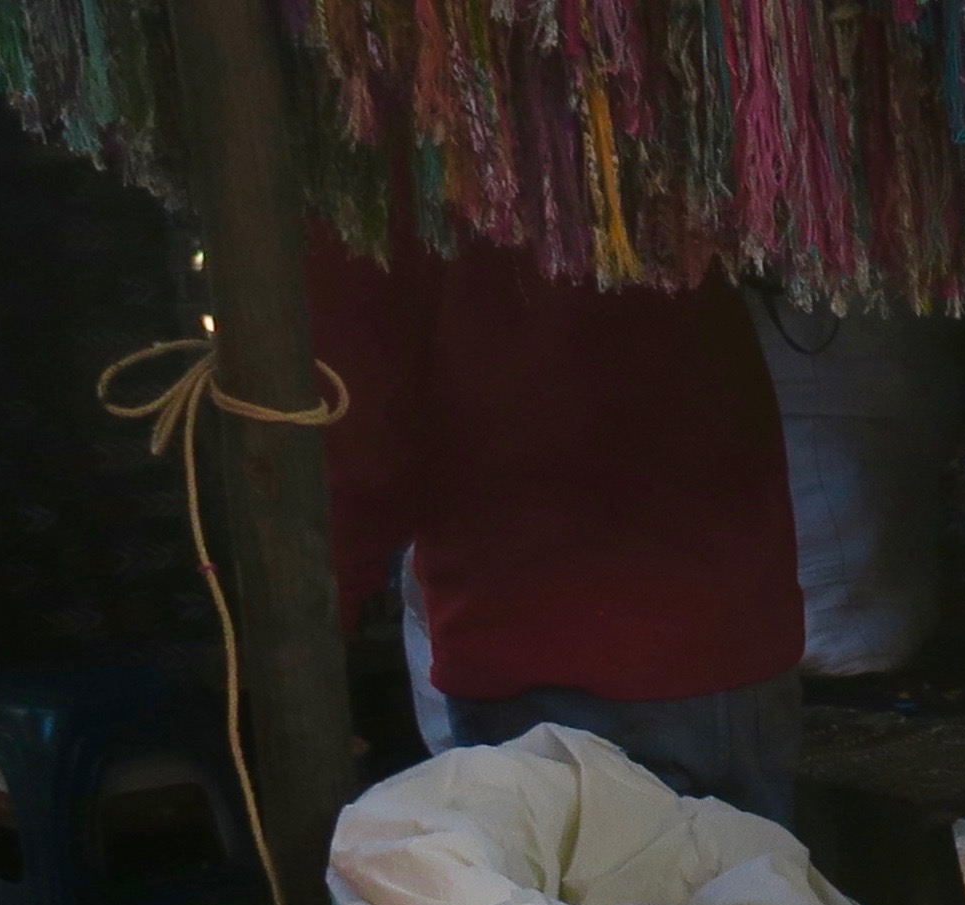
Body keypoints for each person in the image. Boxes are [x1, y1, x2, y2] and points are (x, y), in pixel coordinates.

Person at [309, 242, 807, 823]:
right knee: (751, 902)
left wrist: (295, 626)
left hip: (561, 658)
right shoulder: (634, 158)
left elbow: (351, 454)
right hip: (738, 633)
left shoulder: (363, 196)